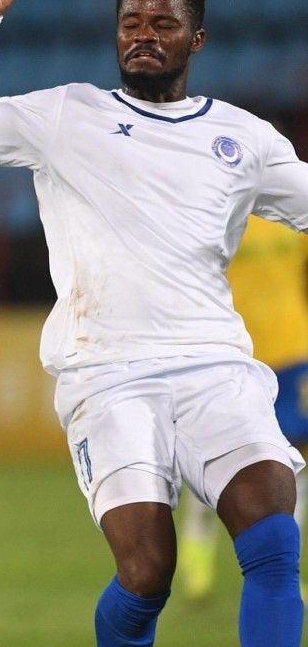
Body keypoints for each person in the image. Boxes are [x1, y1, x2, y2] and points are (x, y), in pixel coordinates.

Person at [0, 0, 306, 646]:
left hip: (216, 367)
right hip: (109, 373)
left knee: (274, 542)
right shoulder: (64, 116)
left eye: (162, 24)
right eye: (130, 22)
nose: (143, 34)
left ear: (196, 40)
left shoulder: (245, 139)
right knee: (149, 572)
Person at [178, 214, 308, 601]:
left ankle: (287, 571)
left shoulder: (291, 209)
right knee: (216, 460)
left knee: (294, 463)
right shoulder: (218, 214)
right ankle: (197, 544)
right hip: (235, 355)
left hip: (293, 350)